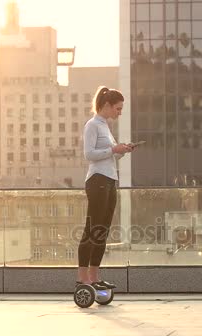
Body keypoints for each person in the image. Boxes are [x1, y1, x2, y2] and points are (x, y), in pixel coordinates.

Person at [77, 86, 134, 290]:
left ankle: (94, 276)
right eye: (118, 109)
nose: (119, 113)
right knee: (92, 229)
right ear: (107, 105)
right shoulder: (92, 125)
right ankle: (83, 277)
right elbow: (89, 154)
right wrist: (113, 149)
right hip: (97, 180)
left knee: (103, 229)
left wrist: (122, 151)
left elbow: (110, 154)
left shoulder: (105, 127)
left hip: (110, 179)